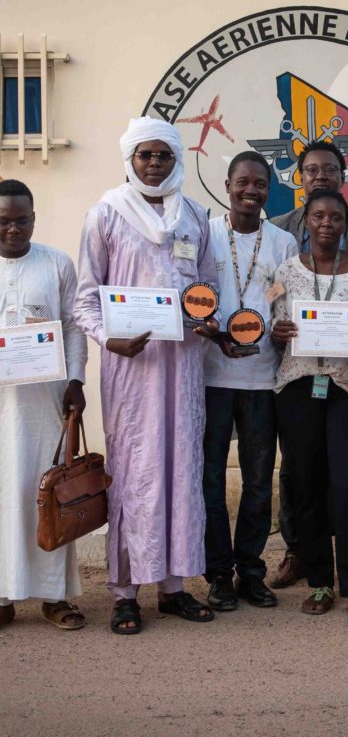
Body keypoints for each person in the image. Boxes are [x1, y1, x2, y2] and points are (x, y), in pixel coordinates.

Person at [74, 117, 219, 634]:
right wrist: (107, 339)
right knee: (135, 472)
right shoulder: (107, 214)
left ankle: (174, 587)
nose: (154, 163)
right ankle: (125, 592)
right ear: (129, 159)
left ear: (176, 159)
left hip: (181, 367)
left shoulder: (196, 216)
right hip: (131, 369)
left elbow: (207, 286)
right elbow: (87, 298)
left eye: (163, 155)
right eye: (145, 155)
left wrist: (210, 321)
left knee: (181, 470)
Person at [272, 188, 348, 625]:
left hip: (347, 388)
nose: (326, 224)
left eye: (335, 217)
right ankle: (320, 581)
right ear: (306, 221)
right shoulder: (285, 271)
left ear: (345, 223)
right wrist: (276, 331)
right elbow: (271, 319)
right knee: (306, 484)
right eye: (318, 216)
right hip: (298, 388)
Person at [202, 151, 297, 611]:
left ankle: (251, 571)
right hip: (212, 375)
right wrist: (211, 332)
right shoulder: (205, 235)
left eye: (259, 183)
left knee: (259, 481)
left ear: (268, 189)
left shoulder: (282, 243)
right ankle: (218, 574)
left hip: (263, 379)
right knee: (211, 479)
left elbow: (285, 298)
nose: (251, 190)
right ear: (227, 185)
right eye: (243, 182)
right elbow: (193, 294)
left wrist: (282, 325)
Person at [0, 179, 87, 630]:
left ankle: (55, 598)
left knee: (49, 496)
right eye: (3, 221)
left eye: (21, 220)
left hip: (45, 404)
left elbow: (73, 327)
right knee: (3, 498)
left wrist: (75, 380)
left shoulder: (56, 263)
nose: (13, 229)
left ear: (34, 219)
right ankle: (2, 596)